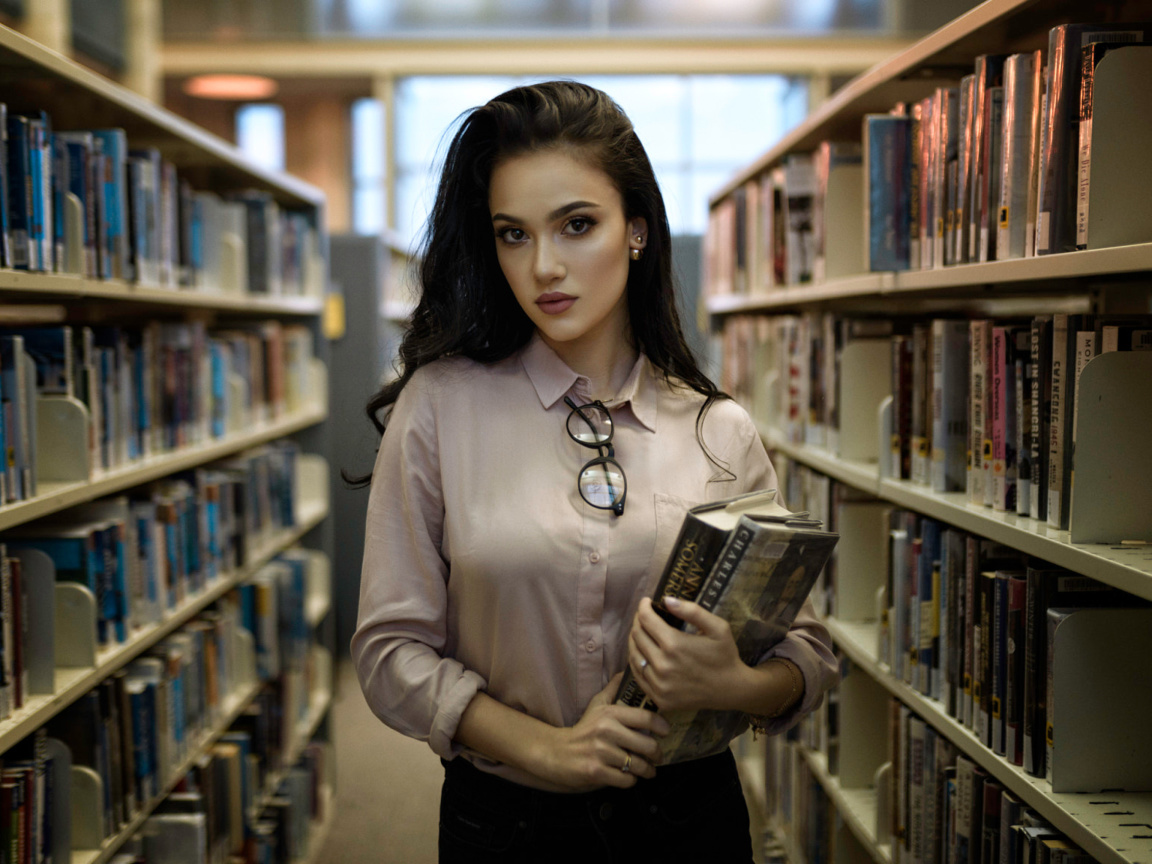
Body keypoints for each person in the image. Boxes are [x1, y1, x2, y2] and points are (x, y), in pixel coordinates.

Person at [351, 80, 838, 863]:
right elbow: (388, 652)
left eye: (577, 225)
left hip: (691, 822)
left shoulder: (719, 430)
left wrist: (735, 686)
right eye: (513, 234)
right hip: (507, 823)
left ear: (637, 231)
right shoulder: (440, 408)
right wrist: (546, 749)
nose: (544, 266)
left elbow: (805, 654)